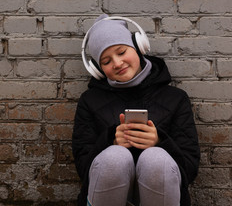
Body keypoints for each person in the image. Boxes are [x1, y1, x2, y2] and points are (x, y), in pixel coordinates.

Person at [72, 14, 200, 206]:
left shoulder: (175, 98)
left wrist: (160, 142)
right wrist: (111, 140)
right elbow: (84, 169)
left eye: (121, 52)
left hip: (162, 192)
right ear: (98, 69)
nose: (117, 63)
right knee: (115, 157)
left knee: (155, 159)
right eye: (106, 62)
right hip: (107, 193)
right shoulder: (90, 101)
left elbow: (190, 169)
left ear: (139, 47)